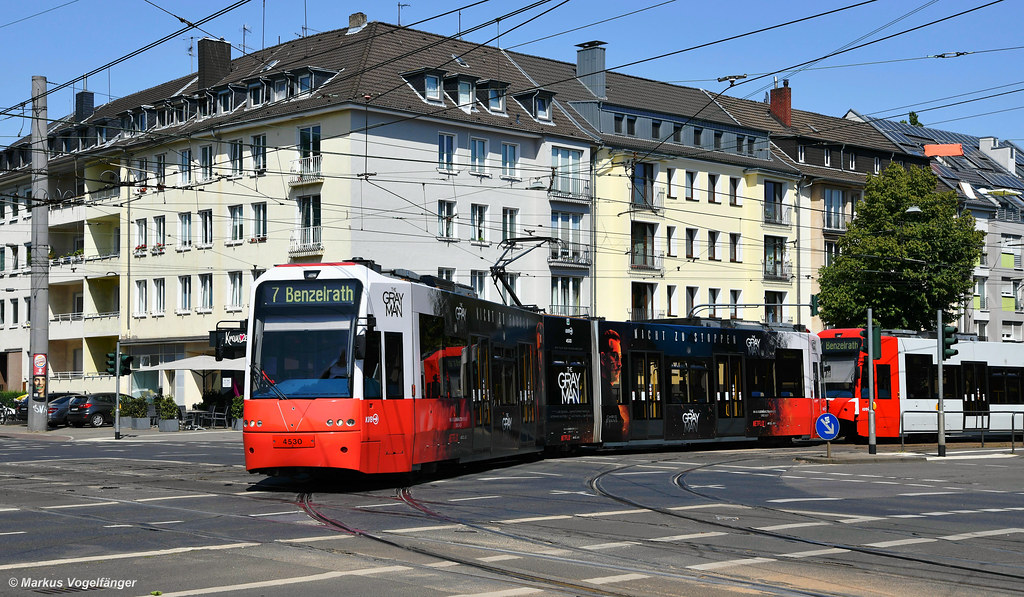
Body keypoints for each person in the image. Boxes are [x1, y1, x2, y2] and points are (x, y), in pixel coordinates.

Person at [599, 328, 629, 440]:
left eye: (620, 357)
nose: (620, 364)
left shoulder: (606, 387)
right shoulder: (605, 390)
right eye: (615, 356)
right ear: (603, 358)